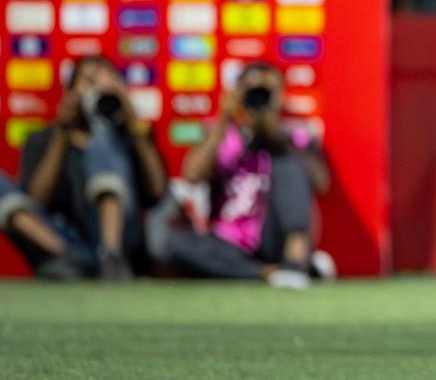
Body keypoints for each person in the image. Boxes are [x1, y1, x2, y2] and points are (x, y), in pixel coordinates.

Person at [164, 63, 331, 288]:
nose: (260, 98)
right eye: (253, 91)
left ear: (280, 96)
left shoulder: (295, 136)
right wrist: (224, 117)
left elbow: (321, 183)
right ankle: (266, 273)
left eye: (267, 92)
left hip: (274, 236)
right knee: (176, 243)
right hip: (227, 242)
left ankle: (295, 261)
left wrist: (276, 139)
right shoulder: (220, 132)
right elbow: (192, 175)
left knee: (288, 163)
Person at [20, 56, 167, 281]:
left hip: (124, 240)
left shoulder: (126, 136)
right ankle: (70, 256)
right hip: (64, 238)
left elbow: (157, 192)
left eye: (104, 86)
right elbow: (35, 201)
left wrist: (130, 117)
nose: (97, 93)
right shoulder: (44, 138)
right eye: (90, 84)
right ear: (71, 93)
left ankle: (111, 256)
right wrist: (62, 130)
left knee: (102, 140)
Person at [0, 170, 88, 279]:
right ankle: (66, 253)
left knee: (100, 159)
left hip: (94, 242)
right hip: (52, 235)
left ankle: (106, 257)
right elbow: (36, 200)